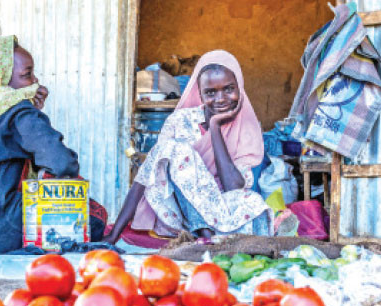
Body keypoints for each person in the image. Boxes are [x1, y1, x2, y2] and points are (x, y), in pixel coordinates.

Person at [0, 35, 106, 254]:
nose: (35, 82)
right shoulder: (17, 111)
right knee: (95, 218)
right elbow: (63, 164)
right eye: (27, 75)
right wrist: (30, 114)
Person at [104, 50, 272, 244]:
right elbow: (145, 176)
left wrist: (215, 127)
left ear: (239, 87)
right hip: (180, 214)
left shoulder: (247, 128)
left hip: (221, 207)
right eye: (210, 92)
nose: (220, 99)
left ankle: (216, 239)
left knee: (254, 202)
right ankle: (205, 237)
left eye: (228, 89)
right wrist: (114, 234)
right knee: (177, 148)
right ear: (199, 94)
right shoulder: (180, 121)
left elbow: (233, 187)